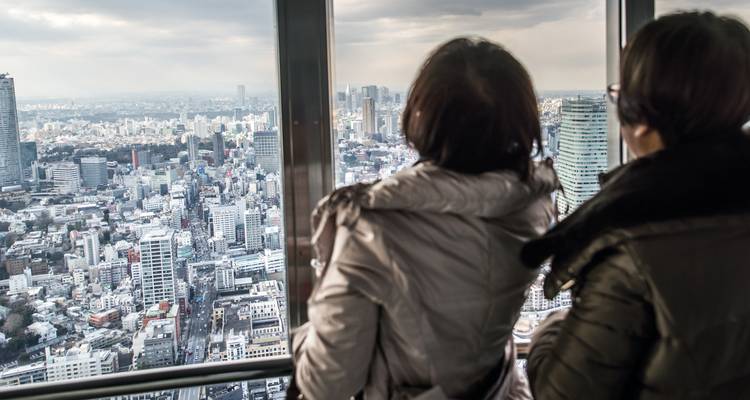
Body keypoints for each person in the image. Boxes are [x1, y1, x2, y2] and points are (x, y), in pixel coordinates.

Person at [292, 37, 557, 399]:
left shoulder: (374, 226)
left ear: (423, 117)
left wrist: (304, 336)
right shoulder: (535, 205)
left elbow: (328, 382)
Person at [522, 11, 750, 400]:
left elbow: (562, 393)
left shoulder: (631, 247)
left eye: (619, 95)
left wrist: (551, 332)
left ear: (642, 120)